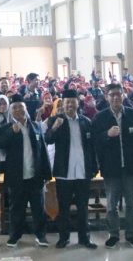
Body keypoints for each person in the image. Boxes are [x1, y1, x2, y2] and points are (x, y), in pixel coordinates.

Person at [45, 89, 98, 249]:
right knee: (64, 207)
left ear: (77, 103)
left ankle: (84, 238)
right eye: (67, 102)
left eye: (72, 102)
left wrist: (94, 167)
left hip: (83, 171)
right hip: (64, 172)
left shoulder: (86, 121)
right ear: (63, 103)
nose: (70, 105)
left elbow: (92, 147)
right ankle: (64, 238)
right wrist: (54, 127)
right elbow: (48, 139)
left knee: (83, 207)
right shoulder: (56, 120)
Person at [0, 94, 52, 248]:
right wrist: (11, 132)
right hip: (16, 177)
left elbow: (43, 150)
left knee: (38, 208)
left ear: (25, 108)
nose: (18, 110)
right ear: (10, 111)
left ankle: (41, 236)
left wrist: (47, 174)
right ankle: (14, 236)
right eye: (14, 107)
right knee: (17, 209)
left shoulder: (35, 126)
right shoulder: (6, 128)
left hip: (35, 175)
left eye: (20, 107)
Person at [92, 83, 133, 248]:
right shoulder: (100, 118)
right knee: (111, 205)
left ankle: (131, 234)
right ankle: (113, 234)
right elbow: (94, 142)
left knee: (131, 204)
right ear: (107, 97)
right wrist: (107, 134)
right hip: (111, 169)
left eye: (118, 94)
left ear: (123, 95)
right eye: (112, 94)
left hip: (131, 168)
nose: (115, 97)